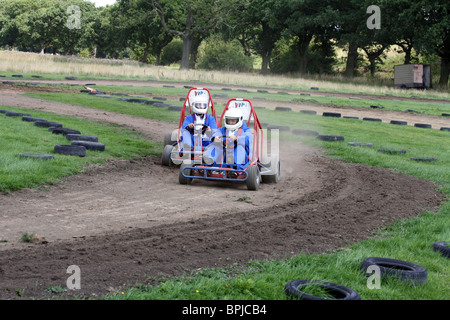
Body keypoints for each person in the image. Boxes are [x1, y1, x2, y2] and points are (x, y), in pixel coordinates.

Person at [203, 108, 253, 176]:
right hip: (223, 156)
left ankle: (233, 168)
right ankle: (208, 163)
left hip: (240, 157)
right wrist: (215, 138)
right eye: (229, 120)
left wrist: (237, 138)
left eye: (233, 121)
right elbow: (217, 133)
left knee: (239, 147)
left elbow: (248, 139)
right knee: (214, 145)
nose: (230, 122)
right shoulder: (223, 129)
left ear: (239, 120)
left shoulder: (246, 130)